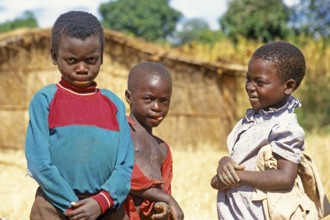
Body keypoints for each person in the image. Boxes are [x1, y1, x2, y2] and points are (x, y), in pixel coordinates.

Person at [25, 11, 134, 220]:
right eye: (72, 60)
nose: (82, 68)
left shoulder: (114, 105)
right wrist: (73, 206)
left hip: (107, 209)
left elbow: (125, 164)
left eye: (91, 60)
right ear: (54, 56)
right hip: (53, 207)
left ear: (102, 57)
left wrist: (101, 201)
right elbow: (39, 163)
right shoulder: (45, 101)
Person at [210, 41, 319, 219]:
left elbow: (285, 177)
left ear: (289, 86)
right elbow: (236, 168)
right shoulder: (253, 119)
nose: (249, 87)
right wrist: (224, 163)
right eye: (248, 79)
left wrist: (239, 176)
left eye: (259, 82)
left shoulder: (285, 126)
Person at [123, 62, 184, 220]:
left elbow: (164, 190)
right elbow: (125, 177)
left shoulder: (163, 148)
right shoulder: (122, 132)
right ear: (129, 97)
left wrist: (163, 205)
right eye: (148, 99)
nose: (157, 107)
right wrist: (167, 200)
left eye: (164, 101)